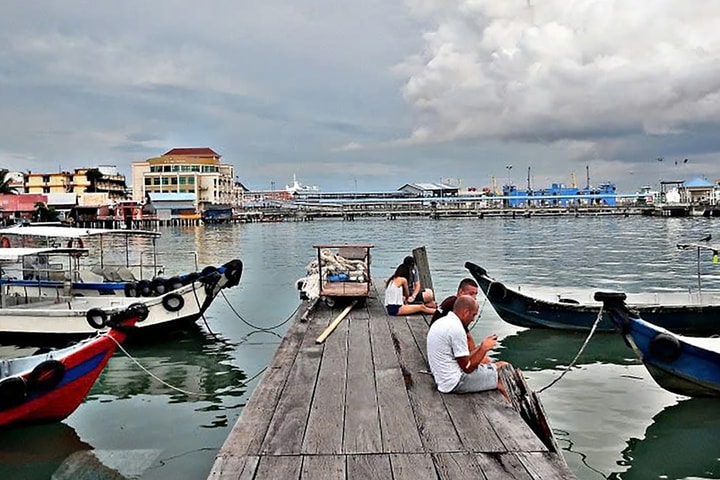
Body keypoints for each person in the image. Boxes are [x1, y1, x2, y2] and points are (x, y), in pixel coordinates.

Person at [426, 295, 508, 395]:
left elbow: (464, 359)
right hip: (454, 382)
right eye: (473, 315)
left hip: (443, 377)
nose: (473, 319)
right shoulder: (456, 329)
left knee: (501, 365)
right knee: (504, 374)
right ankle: (513, 408)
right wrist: (483, 349)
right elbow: (467, 367)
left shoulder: (444, 321)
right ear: (465, 313)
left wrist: (481, 346)